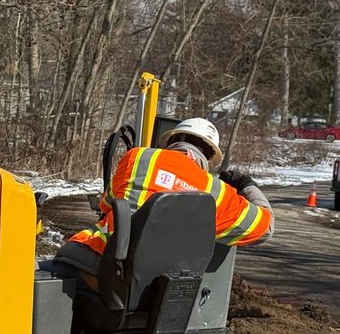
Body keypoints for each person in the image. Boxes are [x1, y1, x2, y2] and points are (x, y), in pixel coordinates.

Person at [53, 117, 274, 283]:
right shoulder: (218, 193)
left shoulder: (137, 158)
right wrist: (245, 184)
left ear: (172, 140)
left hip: (99, 266)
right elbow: (266, 227)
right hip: (162, 287)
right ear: (207, 156)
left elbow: (108, 203)